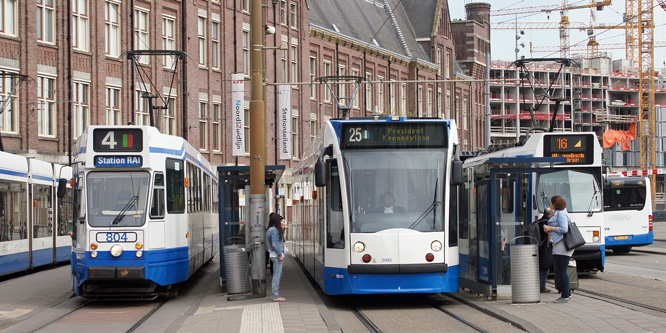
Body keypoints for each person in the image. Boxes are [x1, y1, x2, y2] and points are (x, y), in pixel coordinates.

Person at [543, 196, 574, 303]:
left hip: (562, 245)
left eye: (551, 203)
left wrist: (550, 228)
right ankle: (566, 294)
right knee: (561, 270)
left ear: (554, 204)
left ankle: (565, 295)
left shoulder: (561, 213)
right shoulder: (560, 212)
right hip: (560, 245)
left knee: (561, 270)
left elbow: (564, 229)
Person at [266, 214, 286, 302]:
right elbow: (275, 244)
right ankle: (275, 296)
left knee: (278, 275)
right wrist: (280, 255)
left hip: (274, 255)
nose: (282, 222)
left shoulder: (271, 229)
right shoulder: (274, 230)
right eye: (281, 221)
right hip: (276, 255)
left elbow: (279, 239)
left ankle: (276, 295)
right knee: (277, 275)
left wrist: (282, 229)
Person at [537, 207, 555, 293]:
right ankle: (542, 286)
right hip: (545, 248)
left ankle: (540, 285)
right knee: (545, 267)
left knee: (541, 267)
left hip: (539, 247)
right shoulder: (547, 223)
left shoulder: (539, 221)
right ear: (550, 215)